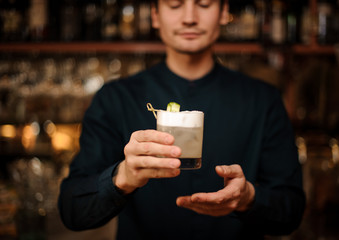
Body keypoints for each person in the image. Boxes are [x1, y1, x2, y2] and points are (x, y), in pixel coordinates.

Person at [58, 0, 305, 239]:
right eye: (175, 5)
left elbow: (291, 211)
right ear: (155, 15)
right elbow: (73, 211)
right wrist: (122, 177)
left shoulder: (263, 100)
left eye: (204, 4)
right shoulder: (115, 99)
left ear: (223, 12)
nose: (189, 18)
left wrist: (248, 198)